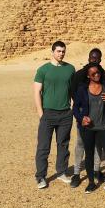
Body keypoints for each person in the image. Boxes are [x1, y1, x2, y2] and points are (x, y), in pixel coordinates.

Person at [33, 40, 75, 189]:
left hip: (65, 114)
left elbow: (72, 89)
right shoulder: (43, 70)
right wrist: (41, 113)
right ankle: (41, 176)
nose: (61, 54)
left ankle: (62, 172)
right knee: (44, 146)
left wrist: (72, 107)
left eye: (63, 51)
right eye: (58, 51)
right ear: (52, 52)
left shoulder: (70, 69)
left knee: (63, 144)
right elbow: (37, 91)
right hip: (48, 113)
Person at [72, 64, 105, 194]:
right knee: (89, 154)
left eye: (98, 73)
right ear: (88, 76)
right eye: (93, 74)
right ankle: (91, 182)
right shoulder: (83, 89)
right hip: (89, 128)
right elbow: (75, 108)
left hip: (104, 126)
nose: (97, 75)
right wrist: (81, 118)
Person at [70, 48, 105, 188]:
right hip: (84, 118)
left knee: (98, 146)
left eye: (97, 58)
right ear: (88, 58)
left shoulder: (104, 75)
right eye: (92, 57)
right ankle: (76, 173)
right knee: (80, 144)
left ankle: (96, 170)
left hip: (99, 119)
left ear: (100, 60)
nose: (94, 60)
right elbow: (74, 95)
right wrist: (81, 114)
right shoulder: (79, 74)